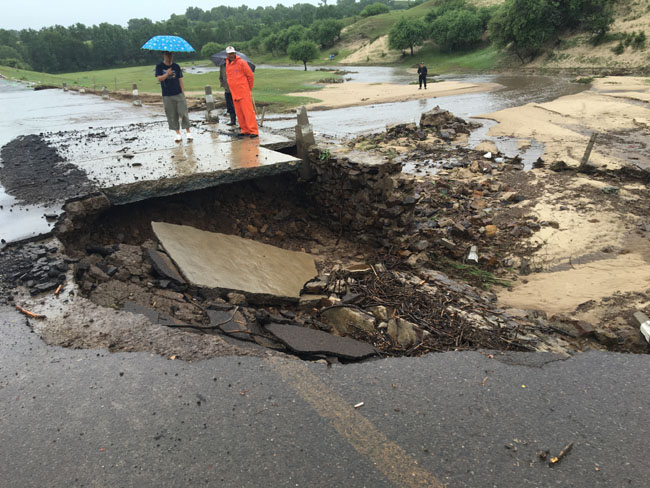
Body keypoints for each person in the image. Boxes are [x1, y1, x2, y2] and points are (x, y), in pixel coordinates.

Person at [155, 51, 192, 142]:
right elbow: (159, 79)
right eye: (167, 55)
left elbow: (180, 79)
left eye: (171, 55)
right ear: (164, 55)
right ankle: (178, 133)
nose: (170, 57)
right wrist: (167, 74)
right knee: (172, 114)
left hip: (178, 93)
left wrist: (182, 92)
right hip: (167, 94)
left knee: (183, 112)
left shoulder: (176, 66)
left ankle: (188, 132)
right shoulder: (159, 66)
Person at [224, 46, 258, 138]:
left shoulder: (242, 62)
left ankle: (253, 131)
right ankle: (245, 129)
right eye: (230, 54)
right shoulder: (227, 64)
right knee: (239, 112)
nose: (232, 55)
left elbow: (250, 76)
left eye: (233, 53)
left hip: (243, 91)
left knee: (248, 112)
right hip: (234, 92)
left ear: (235, 53)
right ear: (227, 54)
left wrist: (248, 88)